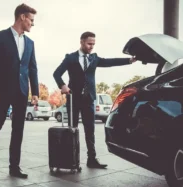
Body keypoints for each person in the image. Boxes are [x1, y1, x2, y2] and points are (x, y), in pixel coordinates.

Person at [53, 31, 136, 169]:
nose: (92, 46)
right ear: (81, 41)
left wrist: (128, 60)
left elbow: (110, 62)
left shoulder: (94, 58)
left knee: (90, 130)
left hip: (89, 99)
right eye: (89, 43)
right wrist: (62, 85)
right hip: (74, 98)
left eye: (93, 44)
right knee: (72, 130)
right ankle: (72, 160)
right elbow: (56, 73)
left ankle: (92, 159)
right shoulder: (70, 58)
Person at [0, 3, 39, 178]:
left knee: (18, 129)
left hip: (22, 91)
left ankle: (14, 166)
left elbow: (32, 68)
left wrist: (35, 92)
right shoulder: (0, 36)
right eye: (31, 20)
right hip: (3, 91)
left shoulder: (30, 42)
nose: (32, 24)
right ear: (22, 17)